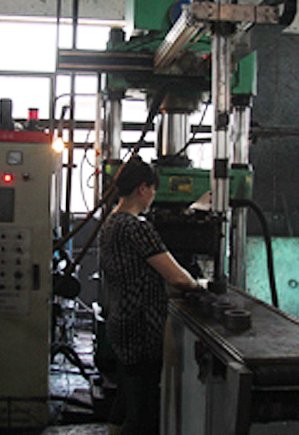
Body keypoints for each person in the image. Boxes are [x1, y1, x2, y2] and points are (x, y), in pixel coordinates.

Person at [100, 156, 200, 435]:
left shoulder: (110, 222)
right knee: (142, 413)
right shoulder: (136, 226)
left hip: (120, 321)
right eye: (153, 190)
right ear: (142, 189)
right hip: (141, 328)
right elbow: (177, 278)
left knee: (126, 396)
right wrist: (197, 286)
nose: (154, 197)